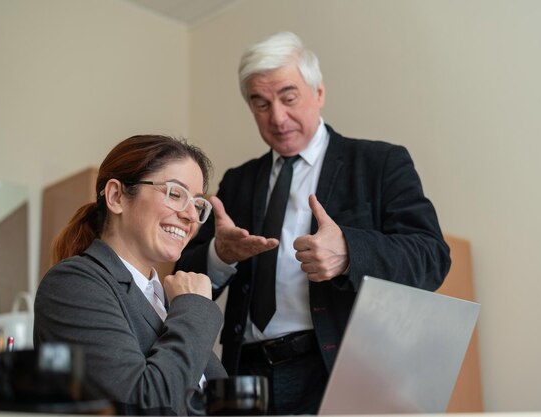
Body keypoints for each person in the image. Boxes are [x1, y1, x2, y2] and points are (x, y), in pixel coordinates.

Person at [176, 31, 451, 415]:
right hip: (244, 375)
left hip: (335, 369)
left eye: (289, 98)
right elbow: (181, 274)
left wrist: (349, 253)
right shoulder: (237, 183)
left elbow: (432, 257)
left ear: (318, 92)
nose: (277, 117)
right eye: (260, 103)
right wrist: (220, 256)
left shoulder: (378, 164)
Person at [34, 135, 227, 415]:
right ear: (116, 196)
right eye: (175, 194)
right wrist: (195, 308)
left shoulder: (167, 298)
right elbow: (143, 406)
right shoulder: (73, 283)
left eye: (198, 205)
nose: (190, 216)